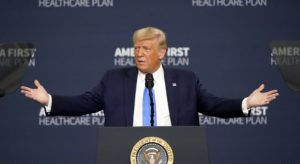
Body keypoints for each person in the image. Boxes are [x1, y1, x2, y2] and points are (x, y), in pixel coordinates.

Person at [20, 27, 279, 126]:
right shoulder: (114, 79)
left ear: (162, 52)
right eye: (136, 48)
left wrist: (247, 103)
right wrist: (49, 100)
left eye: (146, 49)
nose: (139, 54)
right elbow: (83, 104)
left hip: (178, 157)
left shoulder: (186, 80)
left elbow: (213, 105)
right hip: (123, 157)